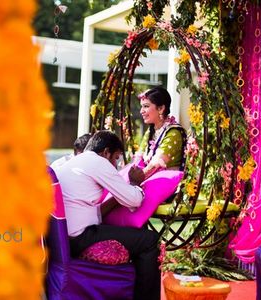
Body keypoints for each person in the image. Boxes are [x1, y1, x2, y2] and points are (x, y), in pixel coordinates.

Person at [55, 130, 161, 300]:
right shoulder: (97, 162)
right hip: (80, 237)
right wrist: (135, 183)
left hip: (64, 238)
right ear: (105, 152)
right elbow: (133, 200)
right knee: (149, 241)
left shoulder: (75, 162)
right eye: (116, 158)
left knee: (135, 238)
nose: (116, 165)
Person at [137, 86, 187, 179]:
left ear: (160, 109)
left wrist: (135, 178)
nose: (141, 111)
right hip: (147, 181)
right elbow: (138, 159)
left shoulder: (174, 133)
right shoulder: (151, 131)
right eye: (142, 106)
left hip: (165, 186)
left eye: (146, 106)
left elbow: (156, 164)